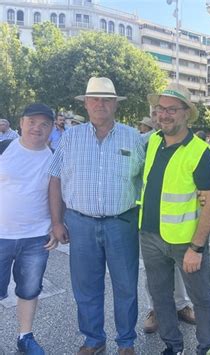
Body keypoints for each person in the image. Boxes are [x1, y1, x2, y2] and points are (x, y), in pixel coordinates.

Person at [49, 77, 144, 355]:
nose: (100, 104)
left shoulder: (133, 138)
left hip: (122, 223)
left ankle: (126, 342)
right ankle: (93, 339)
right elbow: (54, 178)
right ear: (86, 104)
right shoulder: (70, 137)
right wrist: (56, 221)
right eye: (94, 99)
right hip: (80, 223)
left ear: (115, 104)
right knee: (86, 287)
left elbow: (150, 178)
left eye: (106, 99)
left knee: (126, 286)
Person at [139, 83, 210, 355]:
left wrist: (196, 247)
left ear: (187, 113)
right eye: (160, 109)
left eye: (172, 109)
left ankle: (207, 347)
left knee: (201, 298)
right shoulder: (153, 140)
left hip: (186, 241)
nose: (164, 115)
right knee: (160, 297)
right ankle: (173, 346)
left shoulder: (201, 152)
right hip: (150, 235)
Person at [0, 103, 58, 354]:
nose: (37, 127)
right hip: (1, 234)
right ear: (21, 123)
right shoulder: (4, 149)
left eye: (44, 124)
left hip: (36, 237)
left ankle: (25, 336)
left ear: (52, 128)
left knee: (29, 289)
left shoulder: (55, 157)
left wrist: (57, 225)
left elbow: (58, 193)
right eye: (32, 122)